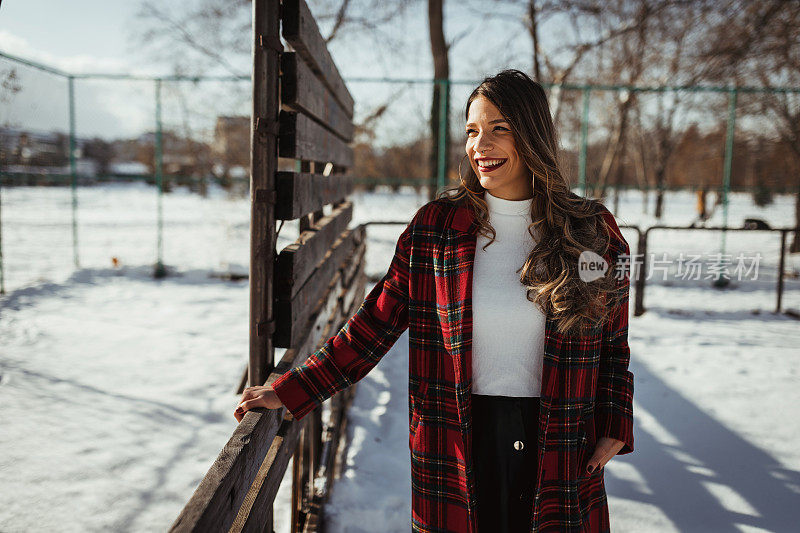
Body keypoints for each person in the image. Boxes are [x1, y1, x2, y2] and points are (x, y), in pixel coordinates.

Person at [235, 69, 634, 533]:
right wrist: (292, 387)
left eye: (498, 129)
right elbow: (373, 325)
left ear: (533, 133)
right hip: (455, 435)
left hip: (563, 437)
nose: (480, 145)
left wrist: (615, 418)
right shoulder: (436, 229)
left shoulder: (593, 231)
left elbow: (613, 343)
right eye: (472, 131)